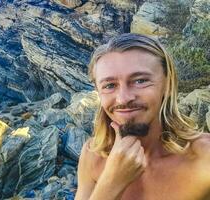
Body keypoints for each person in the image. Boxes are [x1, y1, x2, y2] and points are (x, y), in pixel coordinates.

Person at [75, 33, 210, 200]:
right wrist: (111, 182)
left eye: (140, 81)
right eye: (110, 85)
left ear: (167, 84)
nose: (123, 98)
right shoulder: (92, 155)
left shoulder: (203, 157)